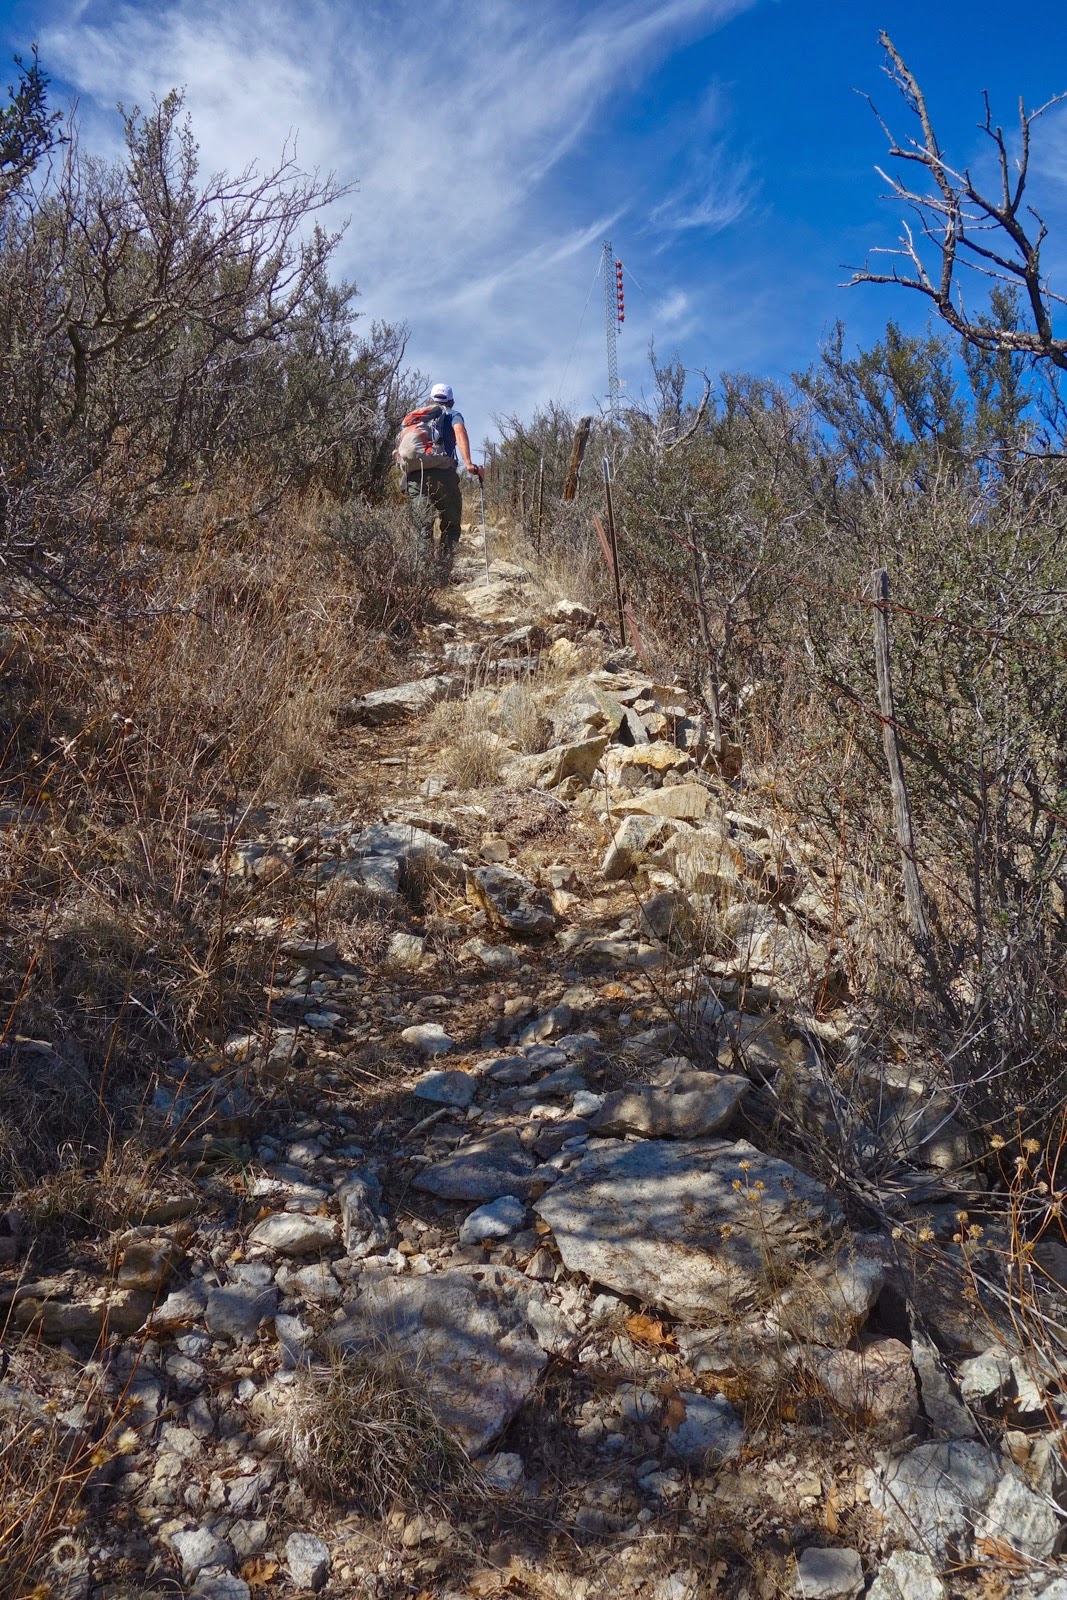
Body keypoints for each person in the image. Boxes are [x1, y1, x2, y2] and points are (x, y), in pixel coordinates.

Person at [403, 382, 483, 566]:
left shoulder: (417, 417)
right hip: (443, 474)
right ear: (452, 401)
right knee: (451, 524)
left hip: (416, 475)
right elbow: (460, 430)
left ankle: (421, 573)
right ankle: (443, 570)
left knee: (422, 525)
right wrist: (469, 463)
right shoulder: (452, 414)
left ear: (429, 399)